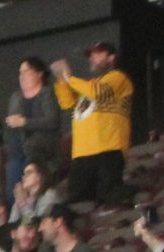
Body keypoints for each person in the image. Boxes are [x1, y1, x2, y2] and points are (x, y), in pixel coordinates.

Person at [51, 42, 133, 204]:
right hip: (82, 153)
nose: (92, 58)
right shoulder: (88, 86)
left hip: (109, 149)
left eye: (98, 54)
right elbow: (67, 103)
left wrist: (69, 78)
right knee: (77, 200)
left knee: (110, 194)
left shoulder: (118, 78)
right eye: (90, 55)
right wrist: (61, 79)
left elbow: (97, 92)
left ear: (111, 57)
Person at [2, 57, 62, 199]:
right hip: (19, 151)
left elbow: (52, 121)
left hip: (43, 151)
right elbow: (12, 124)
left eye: (26, 71)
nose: (21, 76)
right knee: (14, 188)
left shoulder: (47, 93)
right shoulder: (16, 97)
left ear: (39, 73)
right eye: (20, 73)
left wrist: (24, 122)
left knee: (37, 188)